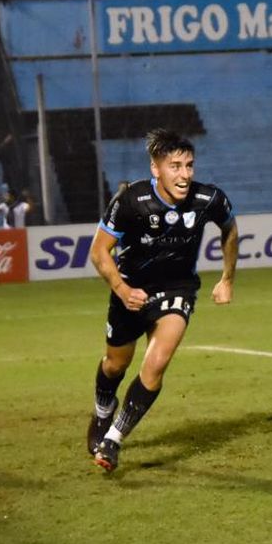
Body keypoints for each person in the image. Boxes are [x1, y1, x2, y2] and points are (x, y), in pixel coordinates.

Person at [87, 129, 238, 474]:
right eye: (175, 166)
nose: (185, 175)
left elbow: (229, 228)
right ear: (156, 169)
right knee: (115, 364)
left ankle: (113, 438)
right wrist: (123, 290)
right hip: (131, 291)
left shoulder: (208, 199)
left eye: (189, 165)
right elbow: (98, 251)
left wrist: (227, 278)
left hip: (178, 288)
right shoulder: (130, 201)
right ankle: (101, 413)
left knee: (156, 363)